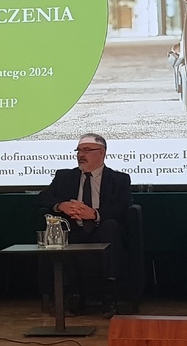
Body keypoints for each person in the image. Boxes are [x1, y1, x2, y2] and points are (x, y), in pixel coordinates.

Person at [38, 133, 133, 319]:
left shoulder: (119, 179)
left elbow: (124, 206)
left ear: (101, 153)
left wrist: (95, 214)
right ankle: (75, 295)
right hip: (75, 228)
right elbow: (43, 197)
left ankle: (109, 296)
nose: (81, 155)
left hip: (102, 229)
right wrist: (61, 205)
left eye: (87, 150)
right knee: (63, 231)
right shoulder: (65, 177)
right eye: (79, 150)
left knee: (111, 227)